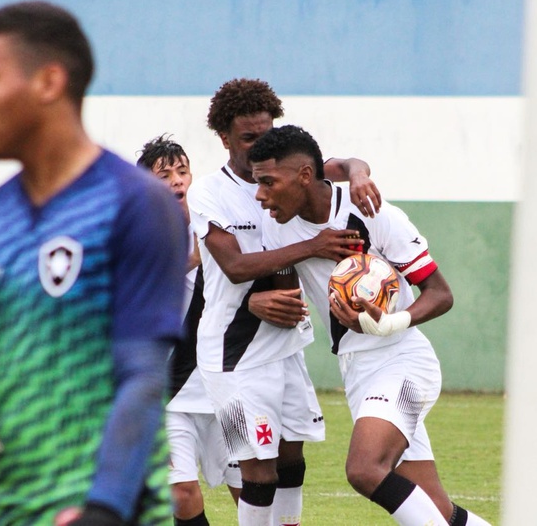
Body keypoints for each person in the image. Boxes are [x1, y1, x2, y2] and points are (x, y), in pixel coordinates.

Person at [0, 1, 188, 526]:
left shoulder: (136, 204)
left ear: (49, 82)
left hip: (114, 512)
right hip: (11, 513)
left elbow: (142, 380)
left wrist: (102, 510)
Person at [250, 124, 491, 526]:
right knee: (438, 509)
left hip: (402, 360)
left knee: (364, 469)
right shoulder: (276, 226)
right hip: (357, 370)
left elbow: (440, 293)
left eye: (268, 183)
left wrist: (390, 322)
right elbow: (285, 292)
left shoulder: (372, 212)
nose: (259, 195)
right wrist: (261, 300)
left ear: (305, 177)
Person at [185, 78, 381, 526]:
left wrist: (359, 172)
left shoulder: (288, 167)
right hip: (231, 352)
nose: (260, 144)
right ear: (224, 138)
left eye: (266, 132)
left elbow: (343, 163)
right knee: (258, 473)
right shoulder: (209, 194)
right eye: (248, 138)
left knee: (292, 462)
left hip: (287, 345)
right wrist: (315, 244)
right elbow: (234, 267)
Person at [137, 135, 241, 526]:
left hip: (224, 382)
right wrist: (191, 258)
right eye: (164, 175)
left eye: (182, 171)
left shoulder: (217, 223)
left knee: (252, 487)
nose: (177, 181)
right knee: (181, 493)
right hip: (168, 389)